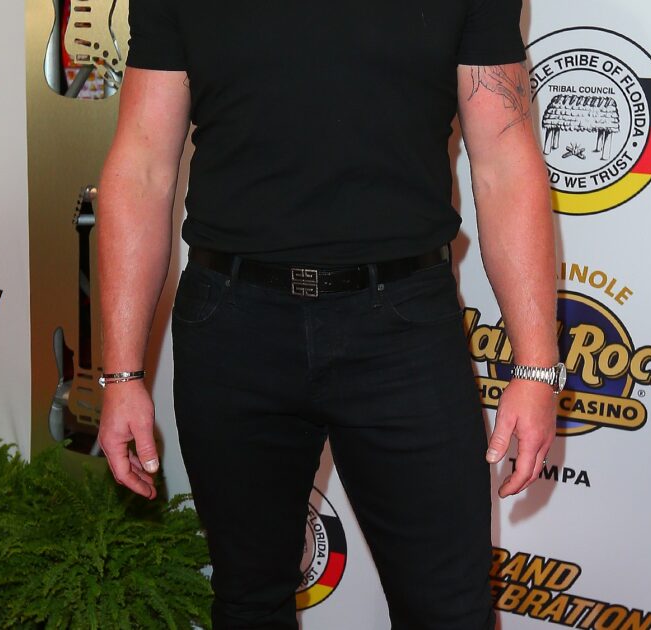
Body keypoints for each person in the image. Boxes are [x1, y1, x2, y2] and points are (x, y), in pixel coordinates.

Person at [95, 0, 561, 627]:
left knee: (450, 612)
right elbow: (141, 167)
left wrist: (537, 365)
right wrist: (121, 374)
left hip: (403, 330)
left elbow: (504, 159)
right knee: (248, 602)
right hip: (234, 328)